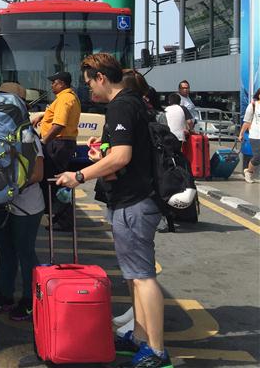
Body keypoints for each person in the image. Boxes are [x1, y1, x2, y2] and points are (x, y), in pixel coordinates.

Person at [56, 53, 170, 368]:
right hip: (135, 198)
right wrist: (102, 151)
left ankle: (157, 351)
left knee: (143, 278)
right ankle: (140, 336)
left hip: (134, 201)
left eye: (89, 82)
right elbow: (122, 152)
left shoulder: (121, 105)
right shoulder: (135, 101)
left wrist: (79, 176)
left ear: (101, 77)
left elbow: (121, 157)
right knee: (134, 276)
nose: (89, 89)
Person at [0, 82, 44, 322]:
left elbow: (37, 174)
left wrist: (10, 186)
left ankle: (31, 299)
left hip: (26, 206)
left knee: (25, 252)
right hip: (2, 202)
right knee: (6, 251)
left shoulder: (29, 137)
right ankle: (5, 295)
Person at [32, 71, 81, 231]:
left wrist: (43, 141)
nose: (52, 85)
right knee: (56, 181)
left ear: (62, 83)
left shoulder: (65, 99)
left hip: (57, 144)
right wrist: (43, 115)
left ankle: (64, 219)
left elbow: (59, 124)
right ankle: (59, 216)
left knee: (56, 182)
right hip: (61, 143)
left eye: (54, 82)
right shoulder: (67, 97)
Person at [238, 88, 260, 183]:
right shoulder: (253, 105)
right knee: (257, 156)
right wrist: (241, 134)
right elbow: (247, 121)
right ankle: (249, 172)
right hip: (256, 135)